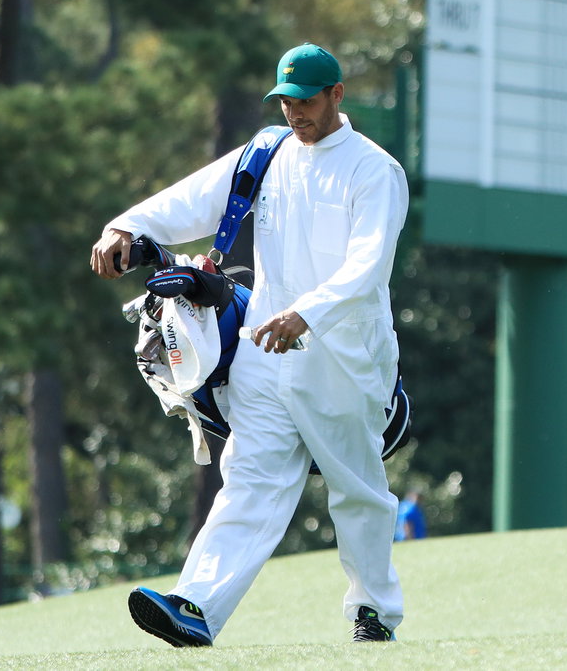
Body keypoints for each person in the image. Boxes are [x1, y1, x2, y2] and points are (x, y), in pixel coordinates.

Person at [90, 42, 408, 645]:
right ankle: (196, 608)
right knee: (249, 482)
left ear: (337, 95)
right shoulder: (267, 152)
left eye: (306, 101)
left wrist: (305, 314)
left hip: (344, 359)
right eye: (286, 101)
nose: (295, 112)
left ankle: (374, 613)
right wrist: (126, 226)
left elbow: (367, 268)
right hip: (264, 350)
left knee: (357, 490)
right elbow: (189, 201)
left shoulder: (375, 170)